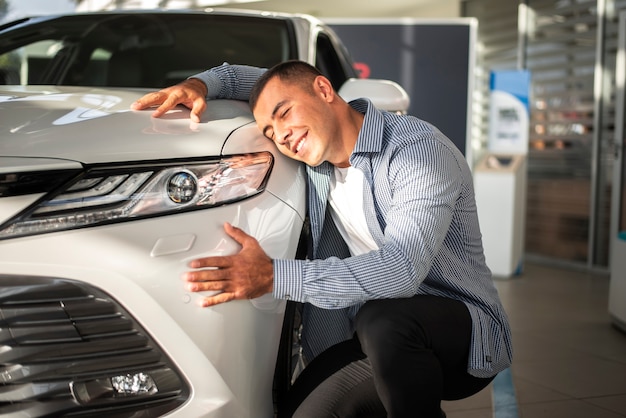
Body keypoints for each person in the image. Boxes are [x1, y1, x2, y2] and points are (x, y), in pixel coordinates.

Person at [131, 61, 513, 418]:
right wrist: (199, 85)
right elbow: (256, 84)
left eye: (284, 115)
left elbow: (401, 271)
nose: (281, 135)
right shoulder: (317, 155)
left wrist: (273, 277)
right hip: (373, 335)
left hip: (460, 333)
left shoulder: (418, 152)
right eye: (270, 132)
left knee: (384, 320)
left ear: (324, 90)